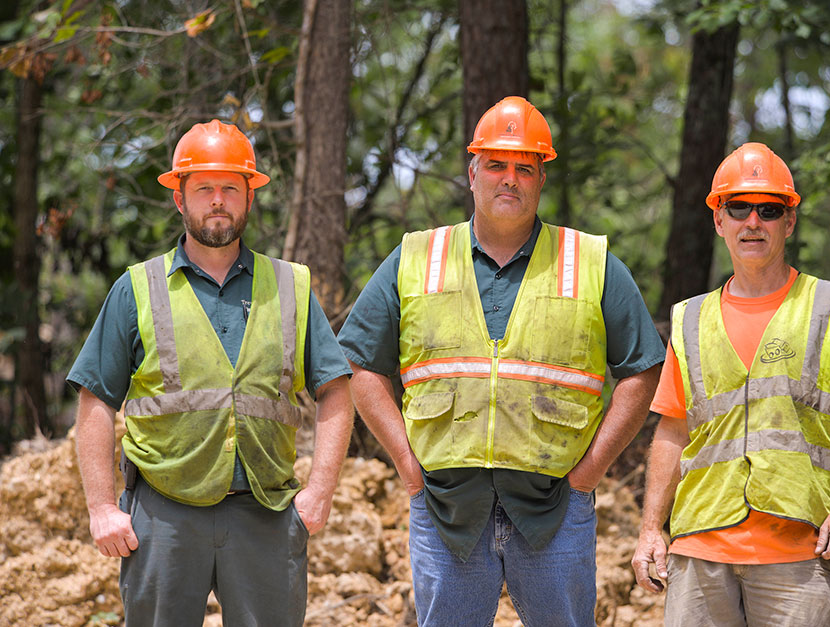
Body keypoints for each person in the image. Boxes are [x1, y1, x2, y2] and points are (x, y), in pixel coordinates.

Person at [338, 96, 664, 626]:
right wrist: (406, 463)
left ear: (541, 180)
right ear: (472, 173)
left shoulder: (589, 261)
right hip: (446, 509)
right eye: (496, 165)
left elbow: (643, 369)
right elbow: (358, 362)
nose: (509, 179)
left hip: (555, 507)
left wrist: (588, 476)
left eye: (524, 168)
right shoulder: (418, 256)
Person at [68, 119, 354, 627]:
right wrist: (100, 507)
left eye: (229, 188)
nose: (217, 200)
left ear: (249, 196)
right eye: (204, 188)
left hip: (265, 514)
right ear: (180, 198)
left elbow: (335, 391)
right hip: (163, 516)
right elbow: (95, 401)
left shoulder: (290, 285)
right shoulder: (138, 288)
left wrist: (319, 491)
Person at [631, 142, 830, 626]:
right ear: (718, 219)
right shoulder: (690, 320)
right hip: (700, 550)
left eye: (769, 210)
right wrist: (650, 530)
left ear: (788, 222)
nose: (753, 222)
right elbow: (671, 431)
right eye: (739, 208)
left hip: (796, 552)